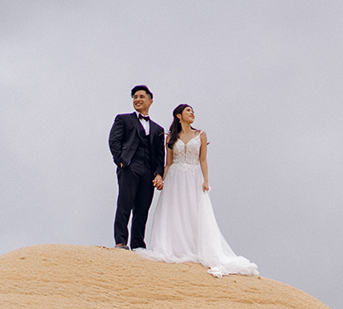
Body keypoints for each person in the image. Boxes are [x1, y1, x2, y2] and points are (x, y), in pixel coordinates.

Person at [137, 103, 258, 278]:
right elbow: (169, 162)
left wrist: (206, 180)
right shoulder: (170, 137)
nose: (192, 113)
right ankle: (176, 246)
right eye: (188, 111)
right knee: (175, 210)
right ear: (179, 116)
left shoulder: (200, 135)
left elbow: (203, 160)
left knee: (195, 210)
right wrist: (161, 178)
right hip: (175, 177)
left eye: (193, 111)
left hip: (194, 176)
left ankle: (196, 247)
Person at [109, 85, 165, 250]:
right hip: (129, 167)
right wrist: (120, 161)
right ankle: (120, 241)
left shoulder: (158, 129)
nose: (137, 100)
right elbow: (114, 141)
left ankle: (138, 244)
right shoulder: (123, 119)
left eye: (141, 96)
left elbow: (160, 155)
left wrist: (158, 174)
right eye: (135, 97)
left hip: (148, 172)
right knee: (124, 204)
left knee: (142, 209)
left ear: (150, 101)